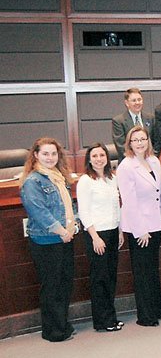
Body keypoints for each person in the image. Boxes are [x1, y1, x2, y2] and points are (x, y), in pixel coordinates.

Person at [19, 138, 77, 342]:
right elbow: (39, 212)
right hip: (47, 241)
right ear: (36, 155)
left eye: (53, 154)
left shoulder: (59, 177)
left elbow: (68, 206)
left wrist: (73, 227)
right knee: (51, 287)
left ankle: (62, 324)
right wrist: (62, 231)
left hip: (65, 238)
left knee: (64, 284)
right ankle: (52, 331)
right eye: (45, 154)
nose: (50, 158)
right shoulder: (32, 181)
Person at [116, 126, 161, 327]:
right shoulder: (126, 166)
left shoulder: (154, 161)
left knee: (153, 269)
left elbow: (159, 193)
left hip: (156, 223)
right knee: (142, 273)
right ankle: (145, 316)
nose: (139, 143)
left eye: (143, 139)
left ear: (148, 141)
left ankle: (156, 309)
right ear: (129, 144)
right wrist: (141, 230)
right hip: (140, 228)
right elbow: (128, 201)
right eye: (135, 140)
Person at [77, 143, 124, 332]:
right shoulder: (86, 181)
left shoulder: (112, 178)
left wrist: (120, 231)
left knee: (110, 277)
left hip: (112, 232)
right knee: (100, 279)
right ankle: (102, 321)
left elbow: (117, 206)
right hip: (97, 235)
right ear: (89, 159)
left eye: (102, 155)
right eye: (94, 156)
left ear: (107, 157)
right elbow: (84, 211)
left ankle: (110, 317)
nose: (99, 159)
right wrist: (95, 237)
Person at [111, 88, 156, 162]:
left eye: (139, 99)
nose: (137, 102)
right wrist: (137, 160)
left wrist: (150, 157)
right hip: (129, 163)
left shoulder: (151, 118)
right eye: (134, 100)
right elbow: (121, 146)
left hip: (149, 162)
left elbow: (156, 141)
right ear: (127, 103)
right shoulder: (118, 121)